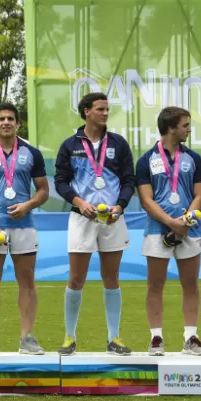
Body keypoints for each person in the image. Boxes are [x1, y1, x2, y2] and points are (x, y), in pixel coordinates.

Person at [54, 92, 136, 356]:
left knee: (111, 277)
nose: (105, 113)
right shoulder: (70, 145)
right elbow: (61, 181)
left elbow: (128, 180)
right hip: (81, 219)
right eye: (100, 109)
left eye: (107, 109)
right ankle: (69, 336)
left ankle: (114, 337)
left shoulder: (119, 144)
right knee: (76, 278)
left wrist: (120, 206)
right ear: (86, 111)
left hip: (112, 219)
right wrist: (79, 202)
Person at [0, 103, 48, 355]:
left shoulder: (31, 153)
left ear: (18, 124)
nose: (6, 122)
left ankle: (27, 338)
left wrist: (28, 205)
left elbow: (44, 191)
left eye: (10, 119)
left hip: (24, 226)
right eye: (1, 118)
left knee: (27, 281)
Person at [135, 106, 201, 356]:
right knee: (155, 285)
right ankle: (156, 338)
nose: (189, 129)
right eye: (185, 125)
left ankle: (191, 337)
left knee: (191, 284)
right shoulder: (146, 160)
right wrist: (171, 223)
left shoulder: (194, 159)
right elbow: (146, 200)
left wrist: (185, 223)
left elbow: (200, 195)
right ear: (171, 128)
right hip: (158, 230)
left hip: (190, 230)